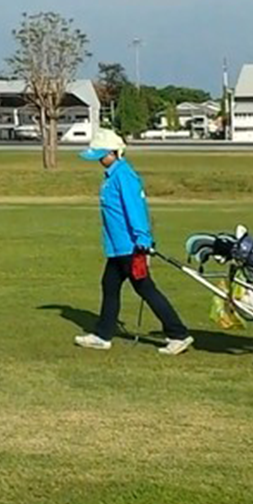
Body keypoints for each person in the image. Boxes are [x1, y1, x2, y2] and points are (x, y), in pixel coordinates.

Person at [74, 128, 193, 355]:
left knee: (146, 289)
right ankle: (103, 335)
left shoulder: (124, 175)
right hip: (117, 246)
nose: (99, 160)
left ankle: (178, 334)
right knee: (109, 285)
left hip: (130, 246)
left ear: (114, 152)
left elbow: (135, 209)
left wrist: (142, 238)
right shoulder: (111, 175)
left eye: (102, 155)